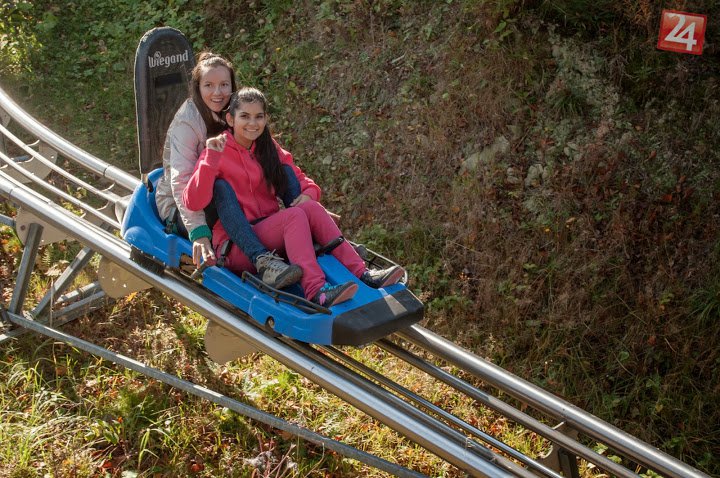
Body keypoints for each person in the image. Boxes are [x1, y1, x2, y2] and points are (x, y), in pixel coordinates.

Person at [183, 87, 405, 307]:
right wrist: (211, 159)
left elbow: (300, 178)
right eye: (245, 116)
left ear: (266, 119)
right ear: (230, 119)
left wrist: (309, 194)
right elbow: (193, 201)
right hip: (240, 246)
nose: (253, 123)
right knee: (293, 216)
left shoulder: (267, 147)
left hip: (268, 232)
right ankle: (316, 291)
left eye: (259, 116)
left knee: (311, 208)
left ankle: (362, 273)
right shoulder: (217, 148)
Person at [153, 52, 302, 289]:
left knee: (281, 169)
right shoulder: (187, 123)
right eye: (209, 85)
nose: (218, 93)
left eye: (224, 85)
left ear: (233, 85)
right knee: (220, 186)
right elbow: (181, 183)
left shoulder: (238, 110)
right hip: (184, 205)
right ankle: (262, 260)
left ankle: (312, 227)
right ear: (197, 87)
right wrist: (199, 233)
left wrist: (309, 198)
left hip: (231, 201)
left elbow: (277, 156)